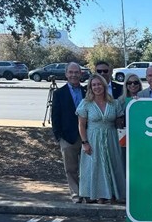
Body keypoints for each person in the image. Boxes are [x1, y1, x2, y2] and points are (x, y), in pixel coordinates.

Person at [77, 74, 126, 204]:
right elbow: (81, 125)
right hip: (93, 138)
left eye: (99, 84)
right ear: (90, 87)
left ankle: (114, 194)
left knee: (113, 165)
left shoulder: (114, 103)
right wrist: (85, 142)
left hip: (111, 138)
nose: (97, 87)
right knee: (96, 166)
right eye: (94, 85)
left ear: (104, 86)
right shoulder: (86, 103)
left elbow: (120, 122)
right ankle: (99, 195)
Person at [51, 62, 86, 203]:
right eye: (71, 72)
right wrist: (58, 136)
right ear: (66, 74)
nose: (73, 75)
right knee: (71, 168)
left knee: (86, 168)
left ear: (80, 74)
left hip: (85, 136)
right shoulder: (59, 93)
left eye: (76, 72)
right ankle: (75, 194)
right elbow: (55, 116)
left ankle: (86, 193)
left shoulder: (87, 91)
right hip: (67, 137)